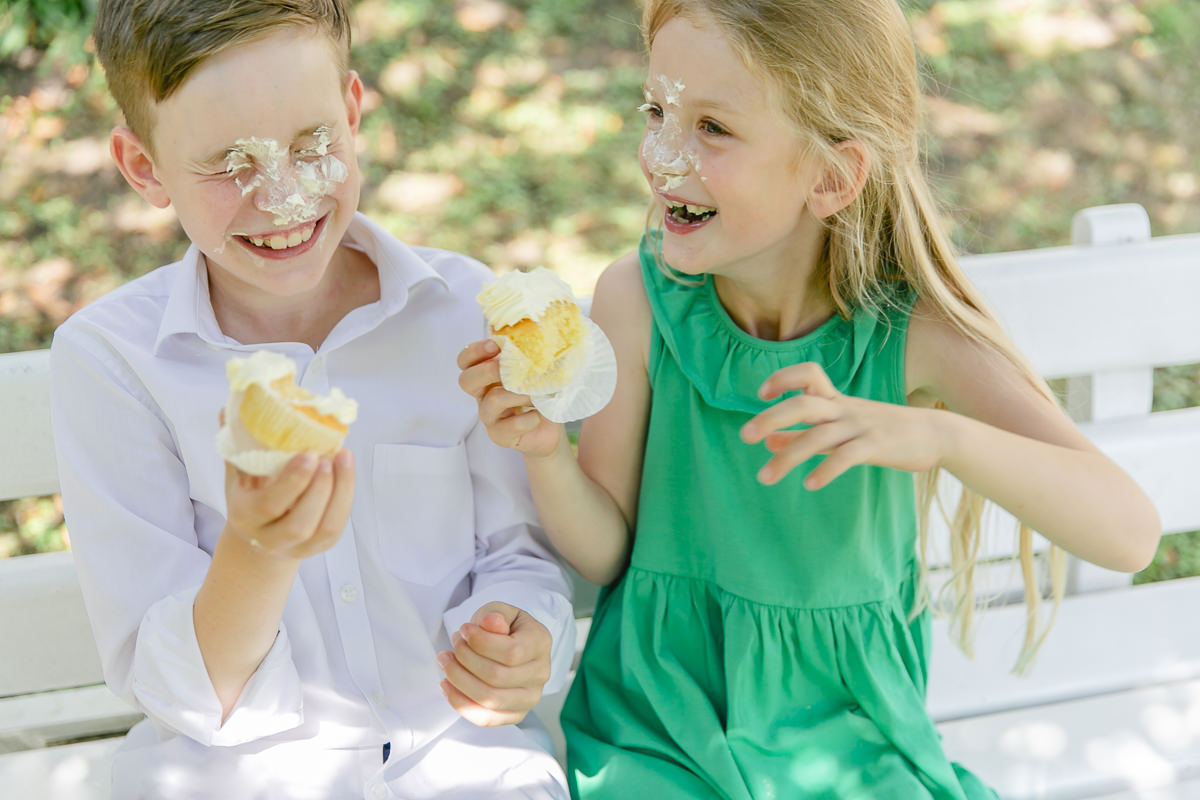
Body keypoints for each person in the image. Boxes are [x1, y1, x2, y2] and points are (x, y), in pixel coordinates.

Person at [457, 0, 1162, 797]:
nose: (660, 154)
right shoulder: (638, 298)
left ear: (830, 176)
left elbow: (1129, 535)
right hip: (658, 728)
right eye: (656, 110)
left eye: (712, 128)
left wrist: (939, 439)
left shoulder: (911, 334)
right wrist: (548, 453)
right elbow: (608, 551)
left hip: (852, 735)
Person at [49, 2, 575, 798]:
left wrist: (522, 629)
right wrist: (258, 547)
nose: (285, 196)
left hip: (464, 764)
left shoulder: (461, 311)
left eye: (312, 144)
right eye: (232, 164)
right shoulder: (114, 364)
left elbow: (517, 552)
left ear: (354, 110)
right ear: (144, 168)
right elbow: (184, 695)